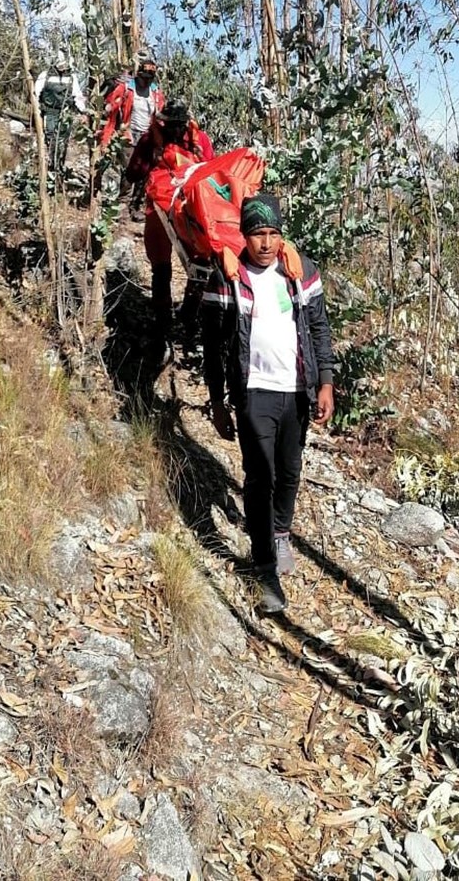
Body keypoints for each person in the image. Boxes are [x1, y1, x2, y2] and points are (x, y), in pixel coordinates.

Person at [201, 193, 335, 614]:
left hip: (296, 390)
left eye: (274, 233)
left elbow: (318, 329)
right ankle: (264, 569)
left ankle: (280, 531)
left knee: (290, 470)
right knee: (260, 475)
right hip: (254, 390)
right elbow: (212, 345)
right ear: (244, 235)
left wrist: (326, 383)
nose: (266, 242)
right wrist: (218, 401)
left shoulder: (300, 272)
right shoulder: (227, 277)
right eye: (258, 234)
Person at [129, 99, 214, 342]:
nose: (175, 131)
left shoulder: (198, 141)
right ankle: (171, 316)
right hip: (173, 206)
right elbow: (133, 172)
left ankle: (177, 315)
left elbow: (133, 172)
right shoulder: (154, 140)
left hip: (183, 206)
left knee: (184, 264)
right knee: (169, 264)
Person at [99, 54, 165, 209]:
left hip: (147, 136)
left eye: (149, 78)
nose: (146, 81)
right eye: (144, 78)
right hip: (128, 133)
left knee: (145, 170)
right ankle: (123, 200)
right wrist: (107, 109)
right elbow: (113, 104)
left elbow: (159, 114)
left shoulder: (156, 94)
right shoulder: (127, 88)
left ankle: (136, 203)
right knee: (130, 169)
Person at [34, 52, 87, 176]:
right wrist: (37, 109)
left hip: (65, 112)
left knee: (63, 139)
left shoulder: (71, 77)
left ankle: (60, 165)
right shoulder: (45, 76)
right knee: (51, 136)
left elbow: (77, 96)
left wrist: (83, 111)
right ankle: (51, 165)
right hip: (49, 111)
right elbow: (36, 93)